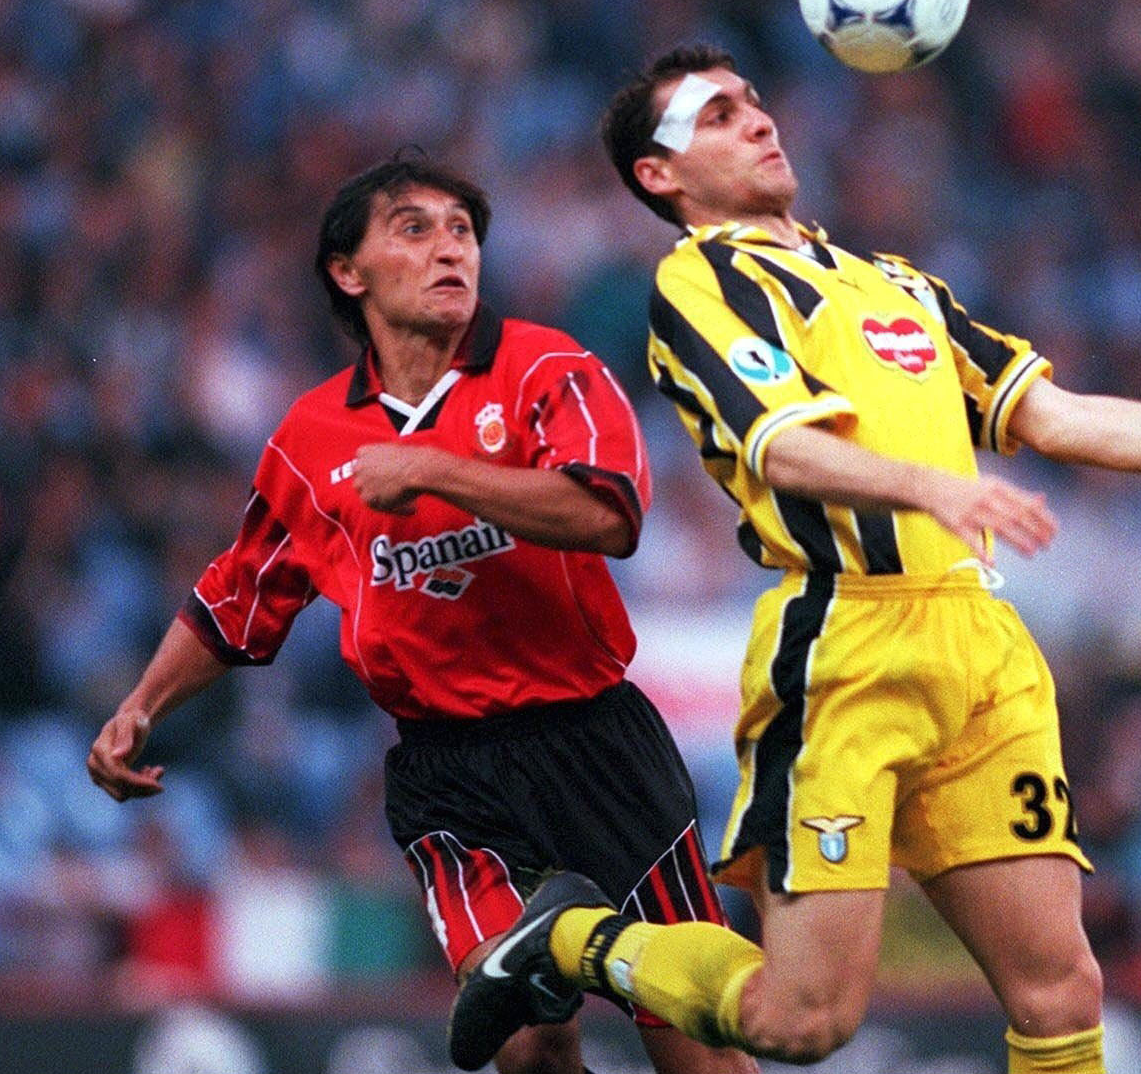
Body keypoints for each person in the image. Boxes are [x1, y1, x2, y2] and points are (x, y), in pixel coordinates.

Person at [446, 47, 1141, 1074]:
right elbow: (775, 443)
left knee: (1061, 991)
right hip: (847, 641)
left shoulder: (894, 283)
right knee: (805, 1021)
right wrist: (931, 486)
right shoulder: (701, 282)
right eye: (714, 116)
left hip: (978, 645)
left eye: (752, 101)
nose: (755, 120)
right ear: (659, 176)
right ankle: (571, 939)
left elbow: (1048, 412)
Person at [86, 154, 756, 1074]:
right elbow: (235, 600)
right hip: (450, 770)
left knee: (700, 1059)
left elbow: (611, 513)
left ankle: (564, 943)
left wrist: (435, 471)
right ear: (347, 270)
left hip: (597, 745)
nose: (451, 249)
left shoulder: (546, 368)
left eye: (464, 230)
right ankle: (555, 948)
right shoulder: (311, 438)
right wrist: (141, 707)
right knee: (523, 1050)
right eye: (415, 228)